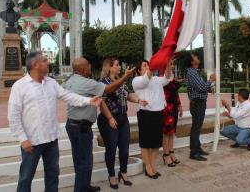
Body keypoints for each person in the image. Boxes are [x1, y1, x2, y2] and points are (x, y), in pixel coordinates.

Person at [8, 52, 102, 192]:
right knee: (26, 177)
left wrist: (88, 100)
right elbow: (13, 115)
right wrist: (22, 139)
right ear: (35, 65)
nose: (48, 63)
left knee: (53, 174)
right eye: (45, 60)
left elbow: (67, 96)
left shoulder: (51, 83)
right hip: (32, 141)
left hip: (51, 139)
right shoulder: (20, 86)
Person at [62, 57, 135, 192]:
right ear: (84, 70)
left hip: (72, 124)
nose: (90, 67)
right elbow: (108, 90)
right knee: (85, 161)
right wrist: (125, 77)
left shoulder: (70, 80)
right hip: (81, 127)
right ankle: (81, 189)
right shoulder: (89, 83)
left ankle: (85, 186)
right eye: (89, 65)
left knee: (80, 160)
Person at [98, 58, 148, 189]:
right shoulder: (103, 82)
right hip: (108, 120)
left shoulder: (122, 81)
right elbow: (102, 101)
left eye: (119, 64)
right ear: (109, 67)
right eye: (116, 65)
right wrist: (109, 118)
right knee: (111, 149)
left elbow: (127, 95)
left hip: (122, 119)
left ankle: (123, 173)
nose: (119, 66)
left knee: (124, 149)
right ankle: (112, 175)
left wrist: (138, 100)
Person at [132, 59, 172, 179]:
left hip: (158, 112)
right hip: (145, 113)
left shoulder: (155, 79)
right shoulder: (137, 80)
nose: (148, 67)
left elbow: (166, 79)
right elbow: (145, 80)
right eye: (145, 66)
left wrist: (168, 66)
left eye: (148, 65)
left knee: (156, 142)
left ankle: (152, 165)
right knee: (145, 142)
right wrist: (153, 67)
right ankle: (148, 166)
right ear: (139, 70)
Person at [186, 53, 216, 161]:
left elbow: (200, 88)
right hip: (198, 103)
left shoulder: (195, 72)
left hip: (198, 102)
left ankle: (197, 149)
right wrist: (211, 80)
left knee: (196, 127)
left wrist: (208, 87)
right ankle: (194, 152)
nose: (198, 58)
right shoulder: (193, 73)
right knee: (196, 128)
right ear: (192, 61)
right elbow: (202, 87)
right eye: (195, 57)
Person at [162, 59, 183, 167]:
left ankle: (171, 153)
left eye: (172, 64)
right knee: (166, 132)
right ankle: (165, 155)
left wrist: (179, 105)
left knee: (172, 131)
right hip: (166, 107)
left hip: (173, 106)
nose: (172, 66)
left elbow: (175, 92)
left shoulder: (172, 75)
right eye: (170, 64)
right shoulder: (162, 76)